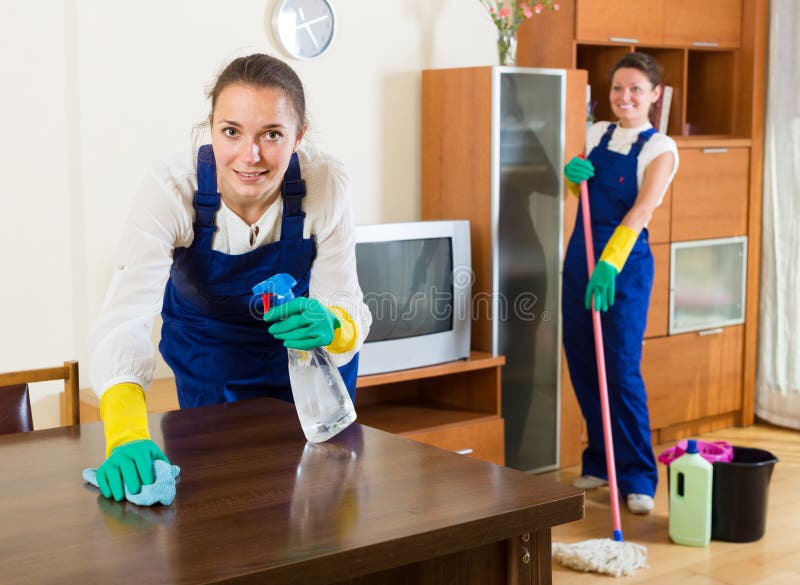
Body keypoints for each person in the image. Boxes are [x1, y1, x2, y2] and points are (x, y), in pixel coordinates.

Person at [87, 53, 371, 502]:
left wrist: (334, 325)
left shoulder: (326, 181)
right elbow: (126, 318)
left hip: (309, 368)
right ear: (212, 127)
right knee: (220, 507)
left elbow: (345, 297)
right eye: (231, 132)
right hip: (211, 363)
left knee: (322, 510)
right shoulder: (170, 189)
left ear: (299, 136)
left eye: (272, 135)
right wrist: (124, 432)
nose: (249, 156)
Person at [561, 52, 679, 514]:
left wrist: (608, 264)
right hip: (579, 257)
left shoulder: (661, 148)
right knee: (583, 360)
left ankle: (638, 475)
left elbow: (643, 209)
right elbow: (584, 193)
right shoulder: (596, 134)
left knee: (621, 368)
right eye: (617, 89)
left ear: (654, 95)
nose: (624, 97)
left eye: (635, 89)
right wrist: (573, 179)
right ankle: (600, 462)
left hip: (623, 268)